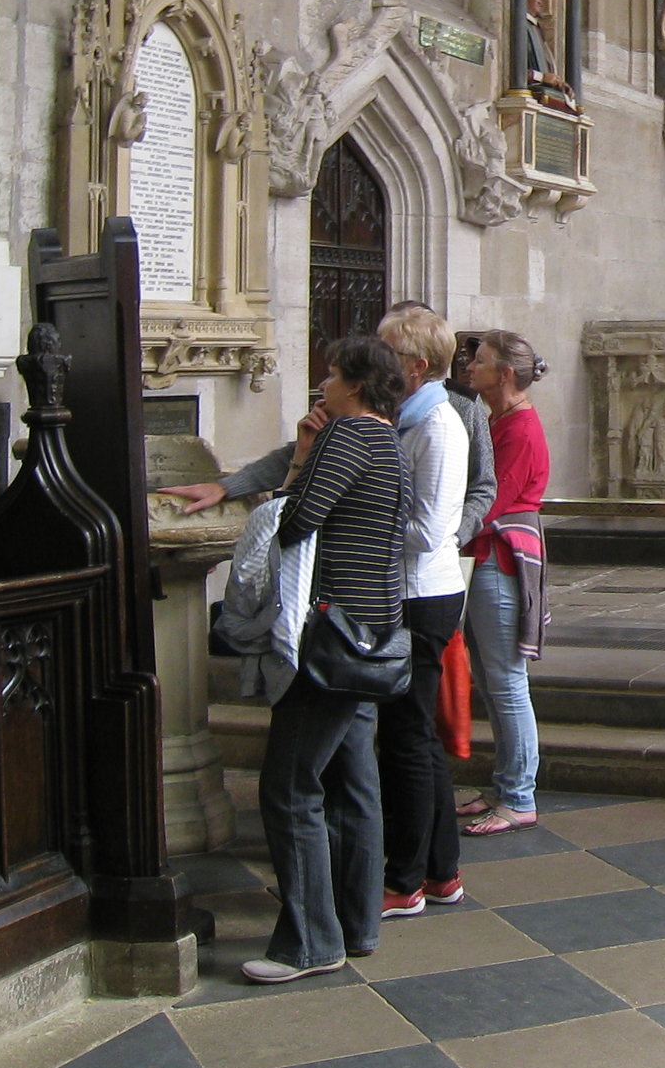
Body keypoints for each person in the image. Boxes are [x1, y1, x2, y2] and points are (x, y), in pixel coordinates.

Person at [247, 336, 407, 983]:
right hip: (371, 631)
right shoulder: (389, 439)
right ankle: (354, 921)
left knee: (288, 786)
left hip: (334, 636)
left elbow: (296, 520)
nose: (323, 384)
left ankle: (311, 942)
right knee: (352, 780)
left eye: (333, 374)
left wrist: (299, 461)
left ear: (358, 384)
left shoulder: (348, 435)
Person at [159, 300, 498, 546]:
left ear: (417, 366)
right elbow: (307, 451)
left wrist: (453, 538)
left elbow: (482, 484)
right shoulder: (368, 403)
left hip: (424, 567)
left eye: (386, 353)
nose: (371, 360)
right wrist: (227, 487)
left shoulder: (456, 410)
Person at [374, 305, 470, 918]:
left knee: (407, 742)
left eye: (386, 357)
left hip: (421, 596)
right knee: (417, 739)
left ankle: (404, 880)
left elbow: (430, 529)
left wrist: (357, 516)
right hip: (410, 593)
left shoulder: (435, 425)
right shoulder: (407, 419)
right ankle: (440, 872)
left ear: (414, 366)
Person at [460, 329, 548, 836]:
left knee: (507, 681)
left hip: (500, 560)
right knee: (493, 681)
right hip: (486, 556)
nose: (471, 367)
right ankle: (505, 784)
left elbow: (491, 501)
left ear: (506, 374)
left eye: (481, 361)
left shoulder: (519, 429)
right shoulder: (497, 419)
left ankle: (519, 796)